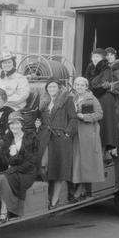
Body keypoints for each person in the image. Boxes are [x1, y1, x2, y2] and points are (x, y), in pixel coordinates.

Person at [0, 111, 39, 222]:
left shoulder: (31, 137)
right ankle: (7, 207)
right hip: (13, 170)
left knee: (2, 180)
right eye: (11, 124)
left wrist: (15, 157)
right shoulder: (7, 139)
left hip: (27, 172)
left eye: (17, 123)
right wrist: (12, 156)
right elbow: (6, 160)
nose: (14, 126)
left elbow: (32, 161)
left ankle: (5, 210)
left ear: (22, 124)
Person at [37, 78, 78, 209]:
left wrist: (67, 134)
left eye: (54, 87)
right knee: (43, 167)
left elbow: (73, 119)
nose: (52, 89)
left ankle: (54, 200)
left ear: (59, 88)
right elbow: (41, 119)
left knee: (59, 170)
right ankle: (48, 194)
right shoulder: (44, 102)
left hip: (60, 138)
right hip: (45, 137)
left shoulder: (67, 100)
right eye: (49, 87)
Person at [71, 76, 104, 200]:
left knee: (85, 162)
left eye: (81, 85)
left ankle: (80, 189)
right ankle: (79, 187)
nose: (79, 87)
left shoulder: (91, 98)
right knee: (77, 161)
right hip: (76, 133)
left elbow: (100, 114)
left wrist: (84, 116)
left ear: (86, 87)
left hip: (88, 134)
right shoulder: (73, 97)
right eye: (77, 85)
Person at [85, 48, 119, 157]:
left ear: (103, 58)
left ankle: (104, 150)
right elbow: (87, 82)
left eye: (97, 57)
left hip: (103, 97)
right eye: (93, 56)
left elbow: (103, 86)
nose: (95, 59)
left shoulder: (107, 69)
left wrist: (91, 90)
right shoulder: (90, 67)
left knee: (104, 123)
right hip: (93, 95)